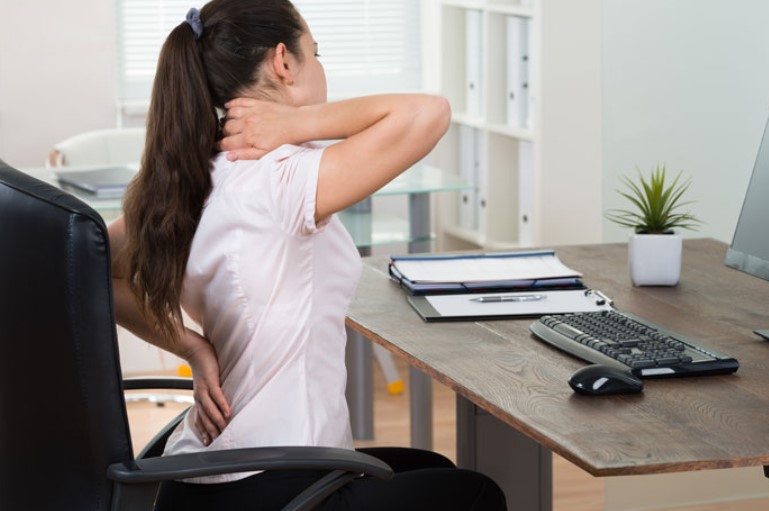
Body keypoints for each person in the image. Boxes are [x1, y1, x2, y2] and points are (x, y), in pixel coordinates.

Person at [107, 0, 508, 509]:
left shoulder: (182, 180)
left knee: (434, 471)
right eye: (315, 54)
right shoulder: (280, 176)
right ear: (283, 61)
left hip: (195, 480)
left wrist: (194, 348)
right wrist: (294, 124)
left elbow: (89, 268)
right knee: (476, 494)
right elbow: (429, 113)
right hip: (277, 483)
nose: (320, 67)